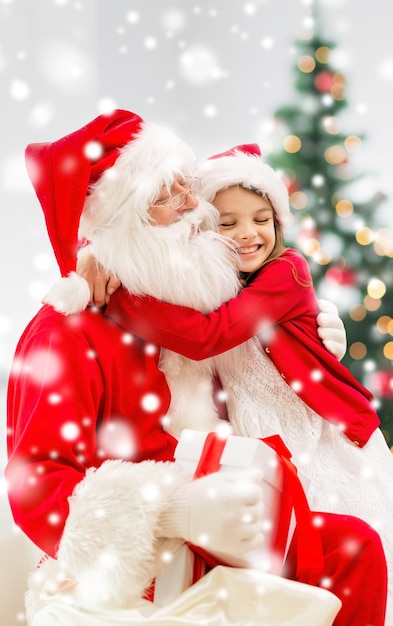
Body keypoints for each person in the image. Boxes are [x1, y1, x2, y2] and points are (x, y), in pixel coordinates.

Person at [6, 109, 387, 626]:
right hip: (141, 562)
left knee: (355, 548)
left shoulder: (182, 304)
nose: (195, 205)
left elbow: (240, 336)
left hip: (230, 523)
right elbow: (37, 486)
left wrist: (319, 332)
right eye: (168, 194)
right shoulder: (64, 335)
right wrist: (172, 512)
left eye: (188, 184)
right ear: (125, 221)